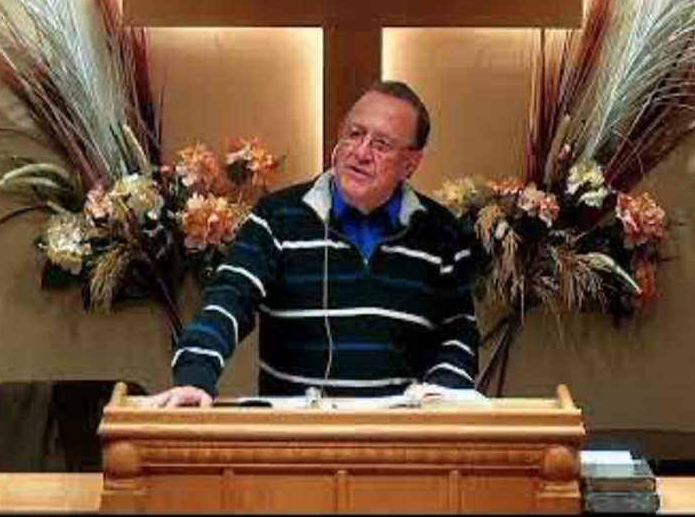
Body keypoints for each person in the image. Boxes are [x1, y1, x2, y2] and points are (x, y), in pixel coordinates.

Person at [143, 80, 481, 408]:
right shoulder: (277, 218)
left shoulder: (442, 233)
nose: (360, 153)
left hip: (398, 435)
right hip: (295, 435)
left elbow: (458, 334)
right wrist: (195, 375)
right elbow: (230, 299)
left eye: (381, 145)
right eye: (354, 134)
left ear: (411, 163)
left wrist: (442, 399)